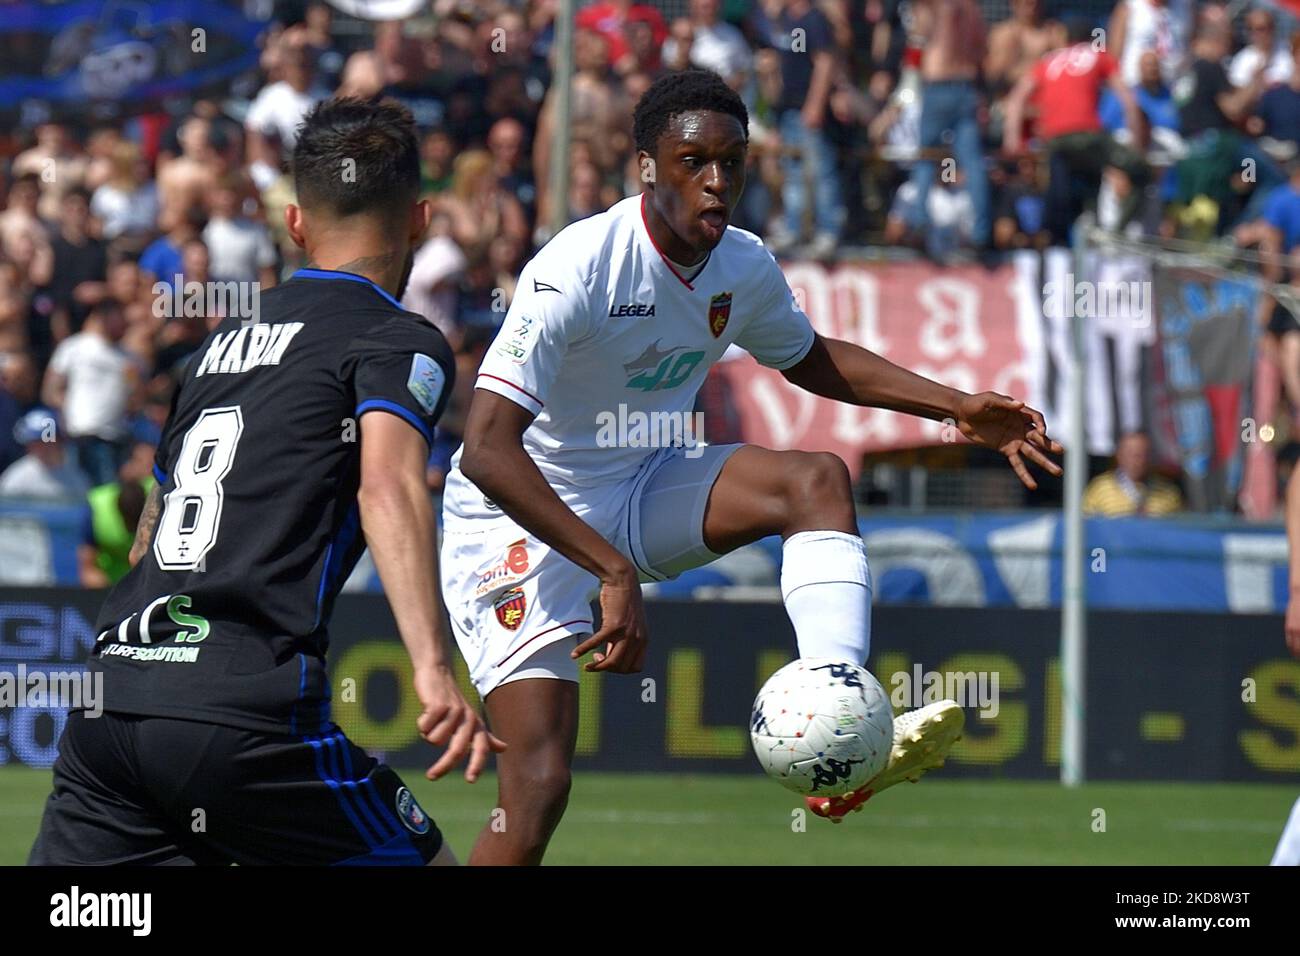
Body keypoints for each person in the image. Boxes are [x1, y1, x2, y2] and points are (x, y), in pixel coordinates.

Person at [442, 70, 1062, 865]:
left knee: (816, 482)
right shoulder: (579, 267)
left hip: (639, 484)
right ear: (646, 167)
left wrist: (953, 407)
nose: (716, 181)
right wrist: (609, 570)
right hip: (518, 519)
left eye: (732, 163)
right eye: (693, 161)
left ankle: (837, 732)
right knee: (539, 780)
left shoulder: (741, 264)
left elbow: (808, 357)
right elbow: (490, 449)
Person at [28, 98, 502, 867]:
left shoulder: (218, 347)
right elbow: (385, 486)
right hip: (241, 711)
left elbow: (154, 522)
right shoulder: (395, 338)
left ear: (295, 224)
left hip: (112, 702)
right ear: (418, 220)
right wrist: (432, 667)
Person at [1081, 431, 1183, 516]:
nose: (1138, 461)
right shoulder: (1098, 489)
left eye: (1144, 454)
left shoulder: (1169, 493)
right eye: (1132, 454)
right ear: (1119, 455)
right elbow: (1087, 528)